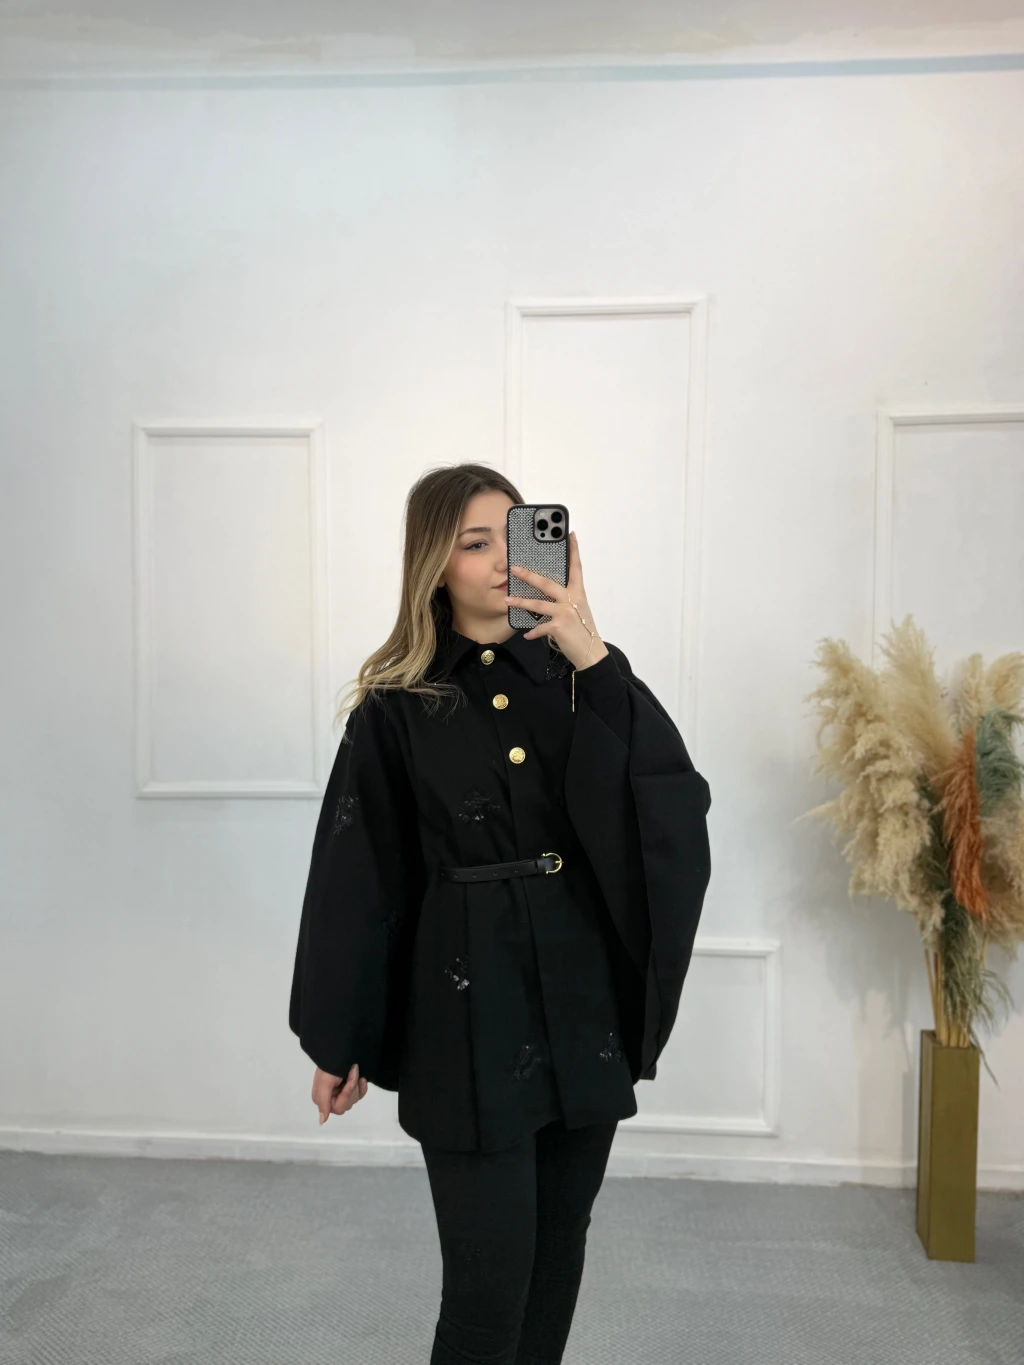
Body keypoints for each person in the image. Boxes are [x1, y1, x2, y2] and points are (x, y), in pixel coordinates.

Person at [289, 463, 712, 1365]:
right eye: (473, 542)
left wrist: (592, 653)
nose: (497, 560)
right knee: (486, 1292)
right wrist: (340, 1034)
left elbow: (669, 802)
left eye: (512, 537)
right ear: (434, 564)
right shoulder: (395, 708)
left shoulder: (585, 681)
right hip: (464, 1013)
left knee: (556, 1262)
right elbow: (359, 878)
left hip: (580, 1005)